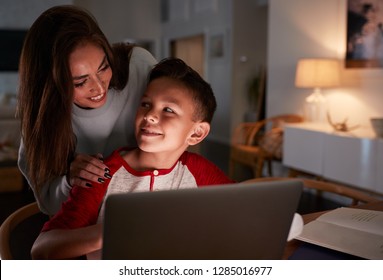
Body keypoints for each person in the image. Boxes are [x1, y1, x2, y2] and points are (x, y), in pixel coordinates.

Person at [30, 57, 234, 259]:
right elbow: (42, 249)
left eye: (168, 110)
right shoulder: (102, 174)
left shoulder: (200, 171)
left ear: (197, 133)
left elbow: (242, 209)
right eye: (146, 104)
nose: (150, 116)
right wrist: (113, 231)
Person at [17, 5, 157, 215]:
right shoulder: (40, 121)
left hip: (151, 205)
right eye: (80, 82)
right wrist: (69, 182)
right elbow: (48, 205)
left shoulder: (138, 66)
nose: (100, 88)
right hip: (86, 223)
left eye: (103, 67)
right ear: (50, 85)